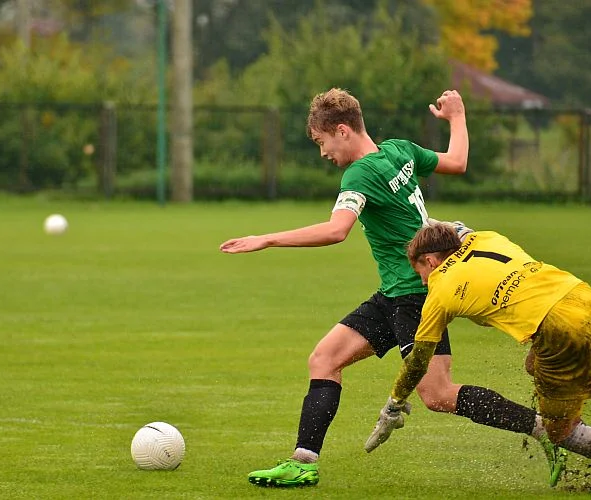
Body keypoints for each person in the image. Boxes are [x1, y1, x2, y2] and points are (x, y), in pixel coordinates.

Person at [220, 88, 570, 488]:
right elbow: (457, 162)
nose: (322, 154)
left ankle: (546, 429)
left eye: (322, 143)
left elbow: (337, 230)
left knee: (437, 395)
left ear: (342, 130)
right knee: (324, 358)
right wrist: (457, 118)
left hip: (416, 295)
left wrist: (266, 239)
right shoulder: (399, 149)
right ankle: (304, 461)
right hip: (393, 294)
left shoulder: (359, 173)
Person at [366, 222, 591, 475]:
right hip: (582, 295)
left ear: (430, 260)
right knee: (534, 365)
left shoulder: (439, 292)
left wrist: (394, 403)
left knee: (561, 432)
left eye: (421, 273)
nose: (423, 281)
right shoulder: (487, 238)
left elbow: (417, 363)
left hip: (558, 327)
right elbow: (460, 229)